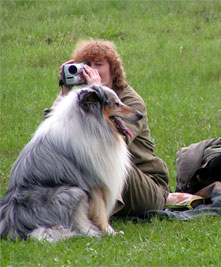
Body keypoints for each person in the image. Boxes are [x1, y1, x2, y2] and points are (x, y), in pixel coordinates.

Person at [50, 39, 170, 216]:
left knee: (105, 161)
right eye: (87, 65)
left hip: (147, 185)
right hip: (112, 175)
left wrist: (96, 89)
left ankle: (97, 217)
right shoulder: (83, 100)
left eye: (98, 65)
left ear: (113, 70)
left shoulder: (130, 101)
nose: (92, 70)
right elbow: (51, 136)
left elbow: (110, 145)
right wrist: (65, 93)